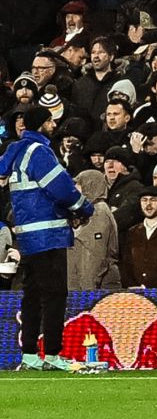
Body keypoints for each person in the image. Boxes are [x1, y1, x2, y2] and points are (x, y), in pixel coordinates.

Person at [0, 106, 94, 370]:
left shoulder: (15, 152)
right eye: (50, 121)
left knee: (32, 293)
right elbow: (61, 188)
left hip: (28, 237)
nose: (54, 125)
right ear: (40, 124)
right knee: (54, 294)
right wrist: (84, 207)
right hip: (48, 234)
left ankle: (30, 354)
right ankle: (53, 354)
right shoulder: (39, 152)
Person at [67, 169, 120, 291]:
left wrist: (86, 295)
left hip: (95, 289)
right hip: (84, 288)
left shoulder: (99, 212)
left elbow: (94, 256)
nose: (75, 191)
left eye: (79, 186)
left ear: (89, 186)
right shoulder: (89, 211)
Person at [121, 186, 157, 287]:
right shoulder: (132, 232)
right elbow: (126, 264)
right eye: (144, 200)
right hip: (136, 294)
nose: (148, 204)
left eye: (153, 200)